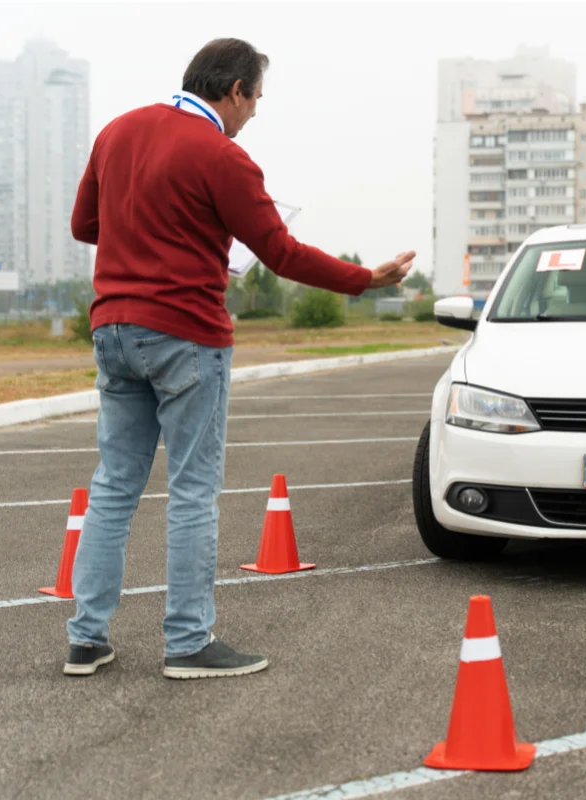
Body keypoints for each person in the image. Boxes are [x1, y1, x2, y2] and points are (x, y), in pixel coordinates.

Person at [62, 37, 413, 680]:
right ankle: (189, 643)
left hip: (113, 330)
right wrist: (367, 279)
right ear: (233, 92)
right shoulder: (223, 157)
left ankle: (86, 639)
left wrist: (153, 230)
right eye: (255, 100)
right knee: (193, 491)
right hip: (186, 335)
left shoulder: (117, 132)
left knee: (114, 488)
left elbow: (86, 225)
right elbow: (281, 253)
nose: (254, 113)